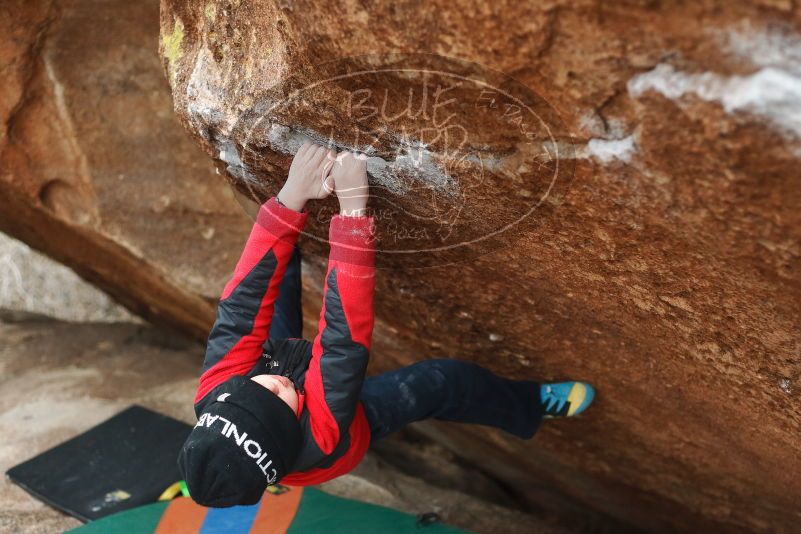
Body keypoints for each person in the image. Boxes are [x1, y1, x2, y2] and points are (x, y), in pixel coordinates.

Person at [178, 142, 595, 507]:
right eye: (275, 407)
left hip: (275, 373)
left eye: (250, 394)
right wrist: (352, 217)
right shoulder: (320, 435)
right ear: (287, 438)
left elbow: (240, 309)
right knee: (443, 381)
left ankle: (264, 441)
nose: (274, 386)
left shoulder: (217, 392)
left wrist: (289, 202)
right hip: (347, 420)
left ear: (220, 401)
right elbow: (341, 342)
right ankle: (528, 405)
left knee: (276, 273)